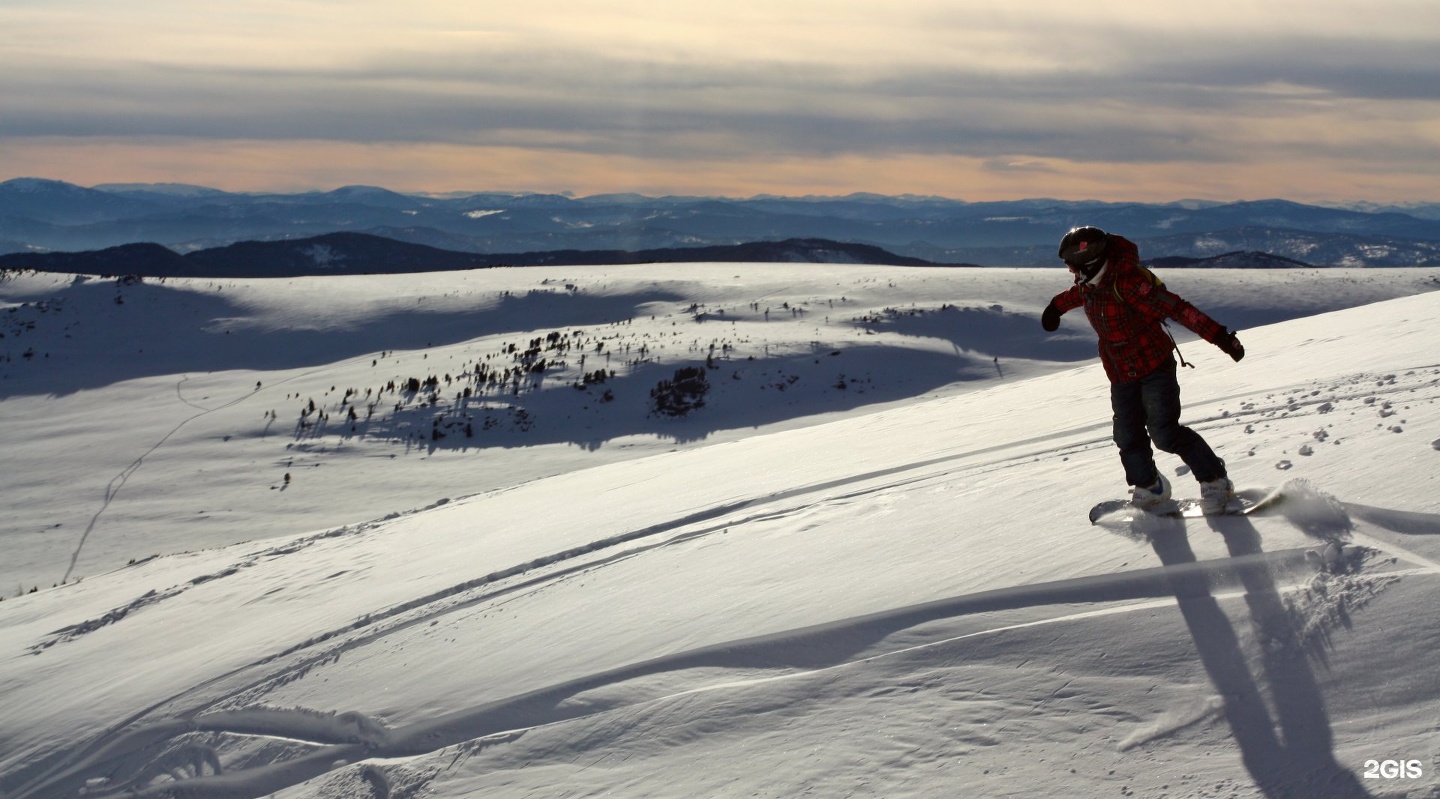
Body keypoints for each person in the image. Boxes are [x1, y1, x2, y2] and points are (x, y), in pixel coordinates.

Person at [1041, 226, 1246, 512]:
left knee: (1164, 432)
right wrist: (1054, 307)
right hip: (1120, 372)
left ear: (1088, 263)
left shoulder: (1130, 284)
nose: (1071, 272)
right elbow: (1075, 295)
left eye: (1072, 266)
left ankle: (1215, 480)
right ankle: (1150, 487)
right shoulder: (1089, 284)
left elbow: (1179, 309)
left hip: (1153, 366)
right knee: (1127, 435)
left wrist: (1222, 337)